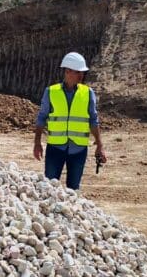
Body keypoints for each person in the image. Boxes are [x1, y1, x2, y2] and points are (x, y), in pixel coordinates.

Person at [33, 52, 106, 191]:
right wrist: (37, 143)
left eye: (82, 72)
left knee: (73, 190)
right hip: (55, 148)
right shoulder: (51, 91)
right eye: (78, 72)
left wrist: (100, 145)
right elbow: (42, 117)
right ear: (67, 71)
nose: (81, 75)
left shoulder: (88, 92)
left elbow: (93, 119)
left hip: (78, 150)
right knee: (49, 188)